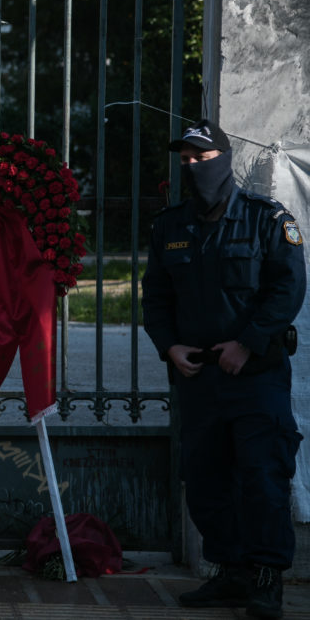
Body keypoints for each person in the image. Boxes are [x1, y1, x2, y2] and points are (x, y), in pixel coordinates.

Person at [141, 118, 305, 618]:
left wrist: (248, 344)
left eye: (202, 158)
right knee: (207, 480)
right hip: (199, 378)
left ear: (225, 159)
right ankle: (231, 573)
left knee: (262, 478)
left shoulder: (265, 219)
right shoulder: (171, 226)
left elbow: (288, 289)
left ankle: (265, 577)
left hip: (255, 376)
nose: (193, 168)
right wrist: (169, 347)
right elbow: (156, 298)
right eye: (186, 161)